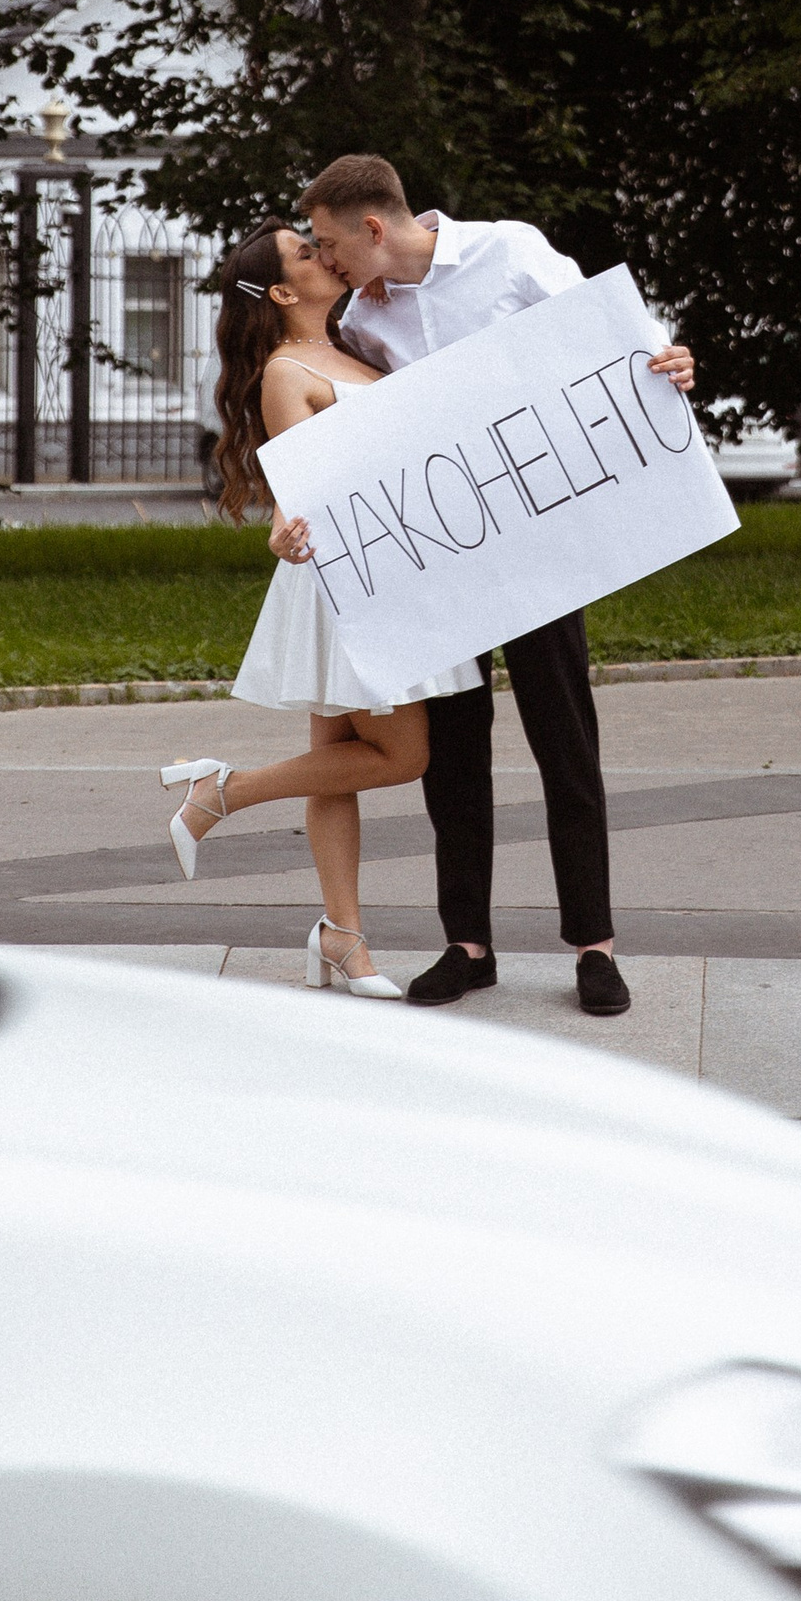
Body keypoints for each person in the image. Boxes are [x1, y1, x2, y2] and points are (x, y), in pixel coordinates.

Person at [284, 152, 696, 1020]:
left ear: (372, 227)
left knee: (565, 739)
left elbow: (612, 334)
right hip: (448, 562)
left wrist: (668, 358)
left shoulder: (508, 253)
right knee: (456, 753)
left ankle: (594, 946)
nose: (326, 260)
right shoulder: (364, 322)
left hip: (540, 548)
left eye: (329, 243)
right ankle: (467, 943)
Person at [161, 223, 480, 1000]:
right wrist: (282, 523)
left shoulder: (353, 345)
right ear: (281, 290)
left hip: (393, 568)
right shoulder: (286, 369)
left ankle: (343, 936)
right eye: (305, 253)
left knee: (336, 760)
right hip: (347, 578)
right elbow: (301, 484)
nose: (322, 254)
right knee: (403, 754)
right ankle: (224, 789)